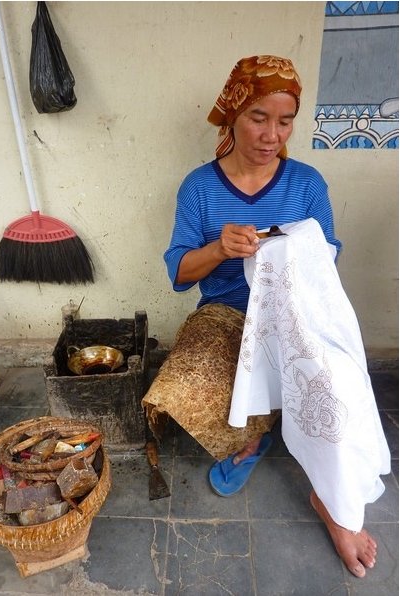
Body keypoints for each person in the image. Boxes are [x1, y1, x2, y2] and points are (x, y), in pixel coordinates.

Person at [160, 55, 390, 579]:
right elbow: (178, 272)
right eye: (258, 117)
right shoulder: (200, 186)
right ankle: (255, 432)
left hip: (298, 315)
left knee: (339, 379)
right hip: (225, 312)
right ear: (232, 117)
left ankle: (332, 503)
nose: (271, 134)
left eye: (284, 121)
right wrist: (220, 248)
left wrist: (289, 243)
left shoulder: (306, 182)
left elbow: (328, 252)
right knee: (185, 386)